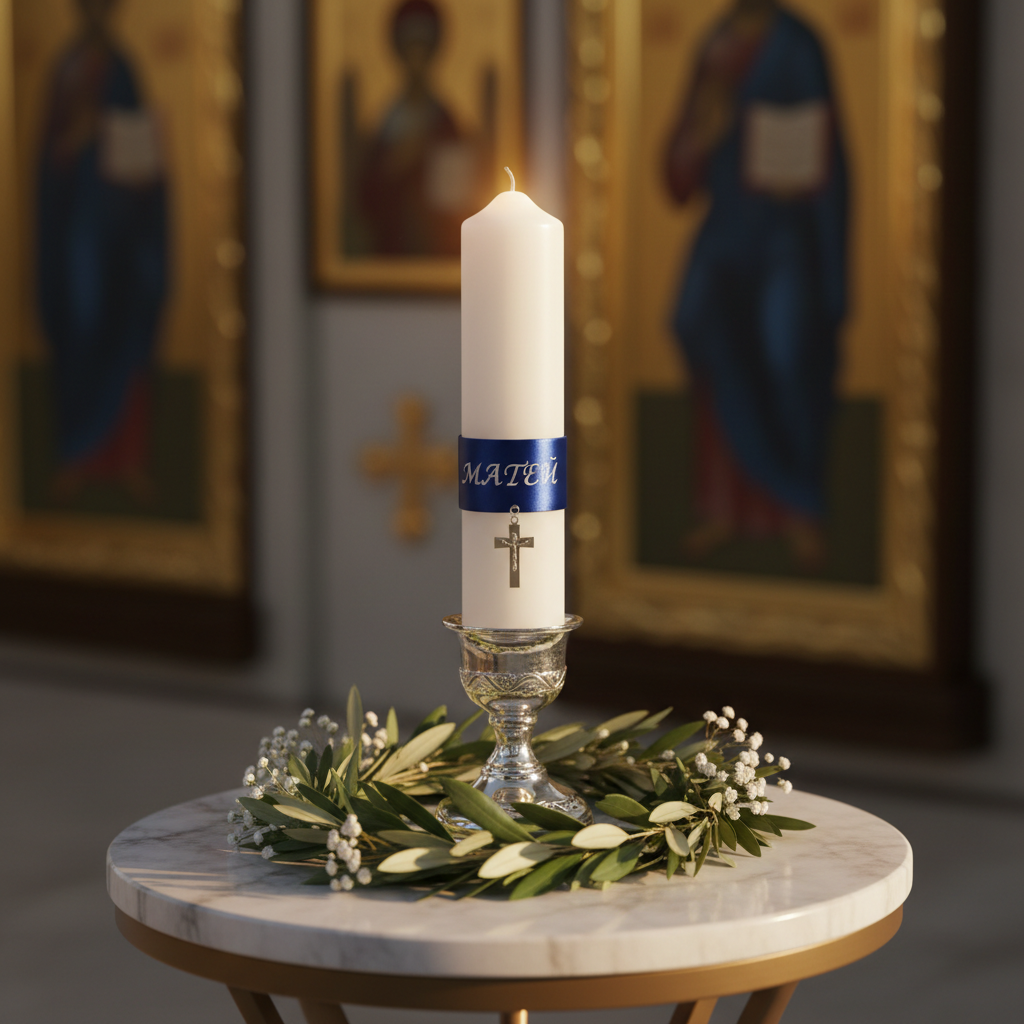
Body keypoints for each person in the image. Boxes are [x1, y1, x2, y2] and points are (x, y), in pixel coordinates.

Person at [665, 0, 848, 570]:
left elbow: (830, 157)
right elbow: (676, 176)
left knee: (786, 350)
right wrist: (704, 131)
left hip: (785, 239)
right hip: (725, 238)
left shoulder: (798, 45)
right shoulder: (715, 45)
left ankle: (798, 508)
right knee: (696, 328)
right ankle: (723, 507)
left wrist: (809, 187)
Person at [35, 0, 168, 505]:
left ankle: (129, 461)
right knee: (80, 329)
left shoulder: (124, 69)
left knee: (124, 328)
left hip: (123, 234)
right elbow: (46, 161)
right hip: (75, 234)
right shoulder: (65, 71)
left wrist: (128, 152)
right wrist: (72, 142)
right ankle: (74, 454)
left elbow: (141, 158)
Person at [343, 0, 493, 258]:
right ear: (399, 53)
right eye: (410, 49)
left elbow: (458, 197)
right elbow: (365, 192)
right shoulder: (387, 120)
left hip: (435, 245)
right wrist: (393, 166)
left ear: (434, 53)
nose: (416, 60)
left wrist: (426, 156)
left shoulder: (446, 121)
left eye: (423, 50)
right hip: (390, 247)